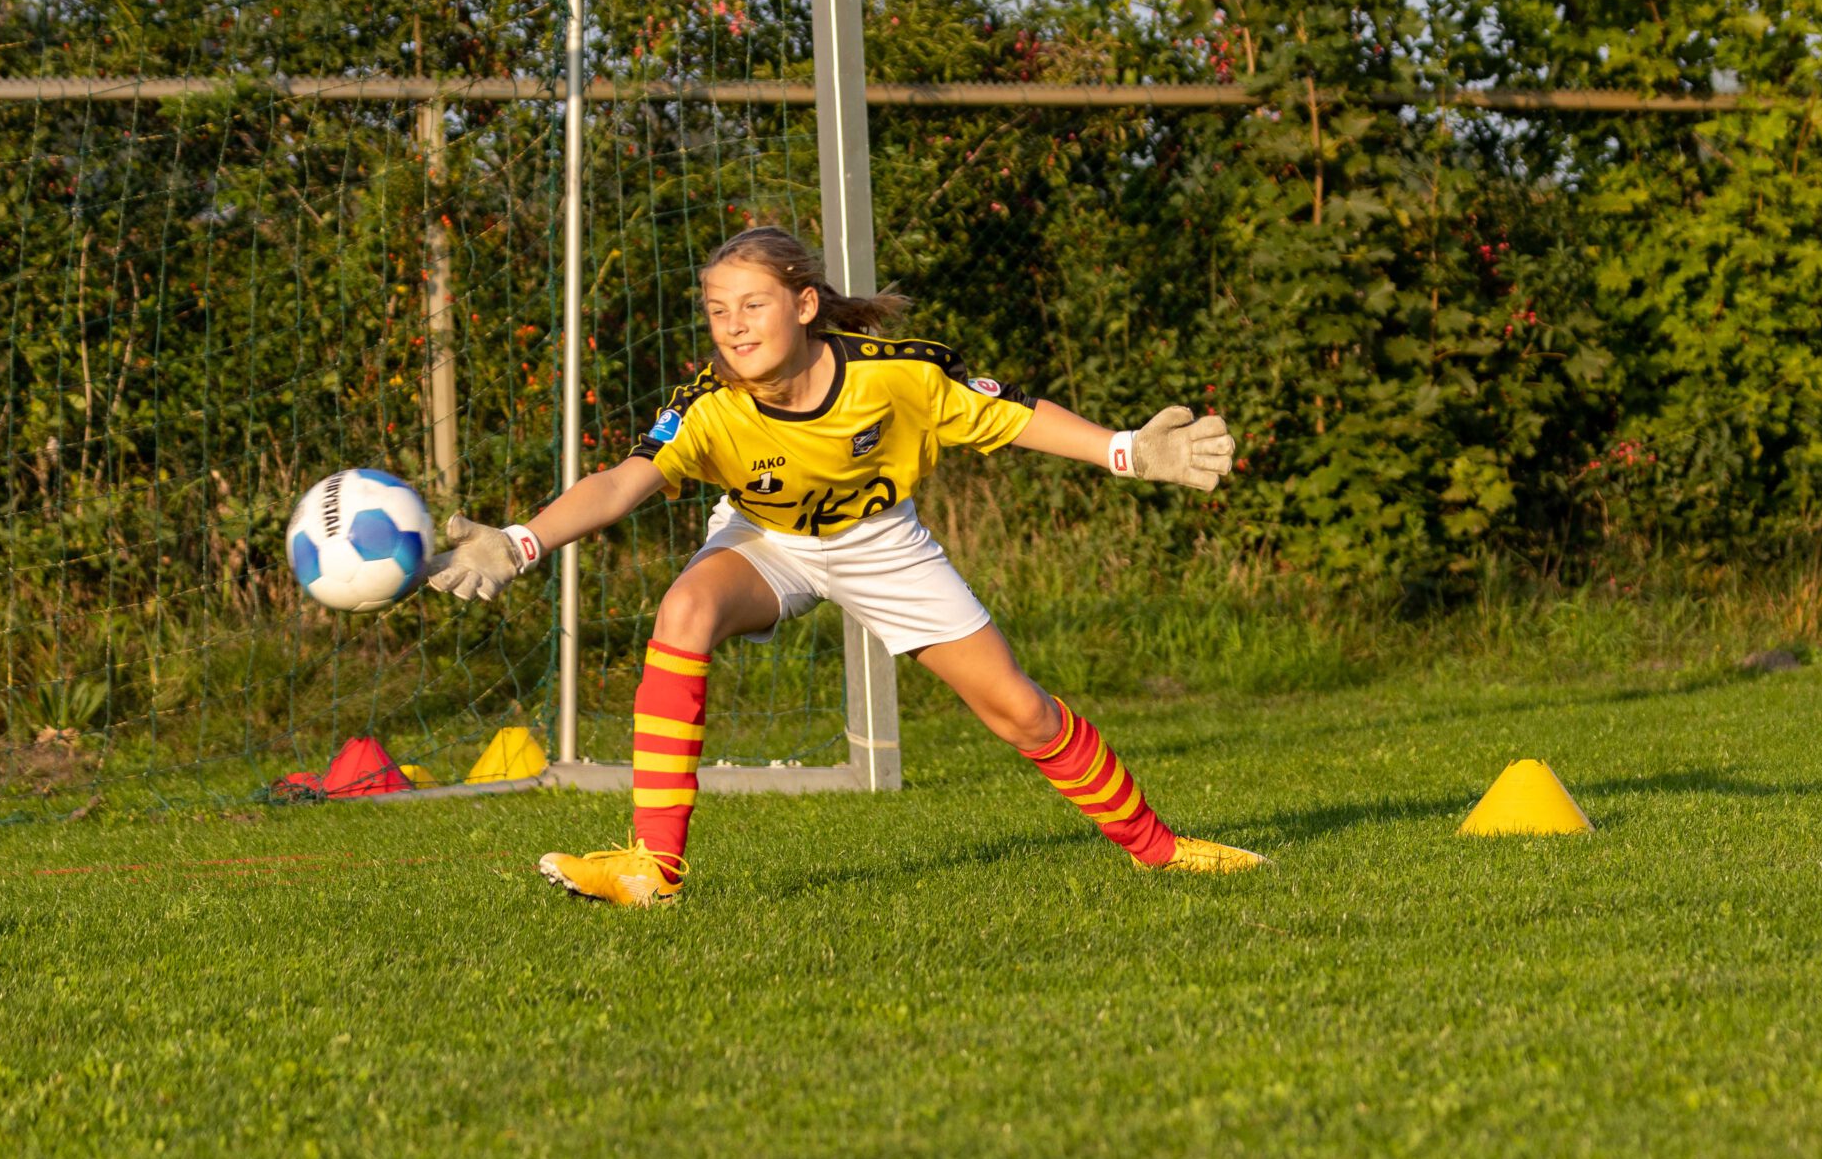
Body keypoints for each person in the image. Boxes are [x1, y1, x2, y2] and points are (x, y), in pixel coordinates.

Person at [425, 225, 1265, 905]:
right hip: (767, 541)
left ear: (805, 303)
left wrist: (1124, 450)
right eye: (719, 311)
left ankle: (1161, 850)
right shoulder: (709, 405)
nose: (736, 326)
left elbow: (1009, 415)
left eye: (754, 304)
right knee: (684, 609)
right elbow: (620, 484)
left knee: (1022, 714)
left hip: (881, 545)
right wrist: (521, 539)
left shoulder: (894, 375)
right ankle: (652, 869)